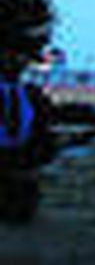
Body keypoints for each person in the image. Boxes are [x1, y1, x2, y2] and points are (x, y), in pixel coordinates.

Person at [0, 59, 53, 224]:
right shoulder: (23, 92)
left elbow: (41, 120)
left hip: (22, 146)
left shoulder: (29, 93)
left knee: (21, 179)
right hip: (10, 147)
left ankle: (18, 208)